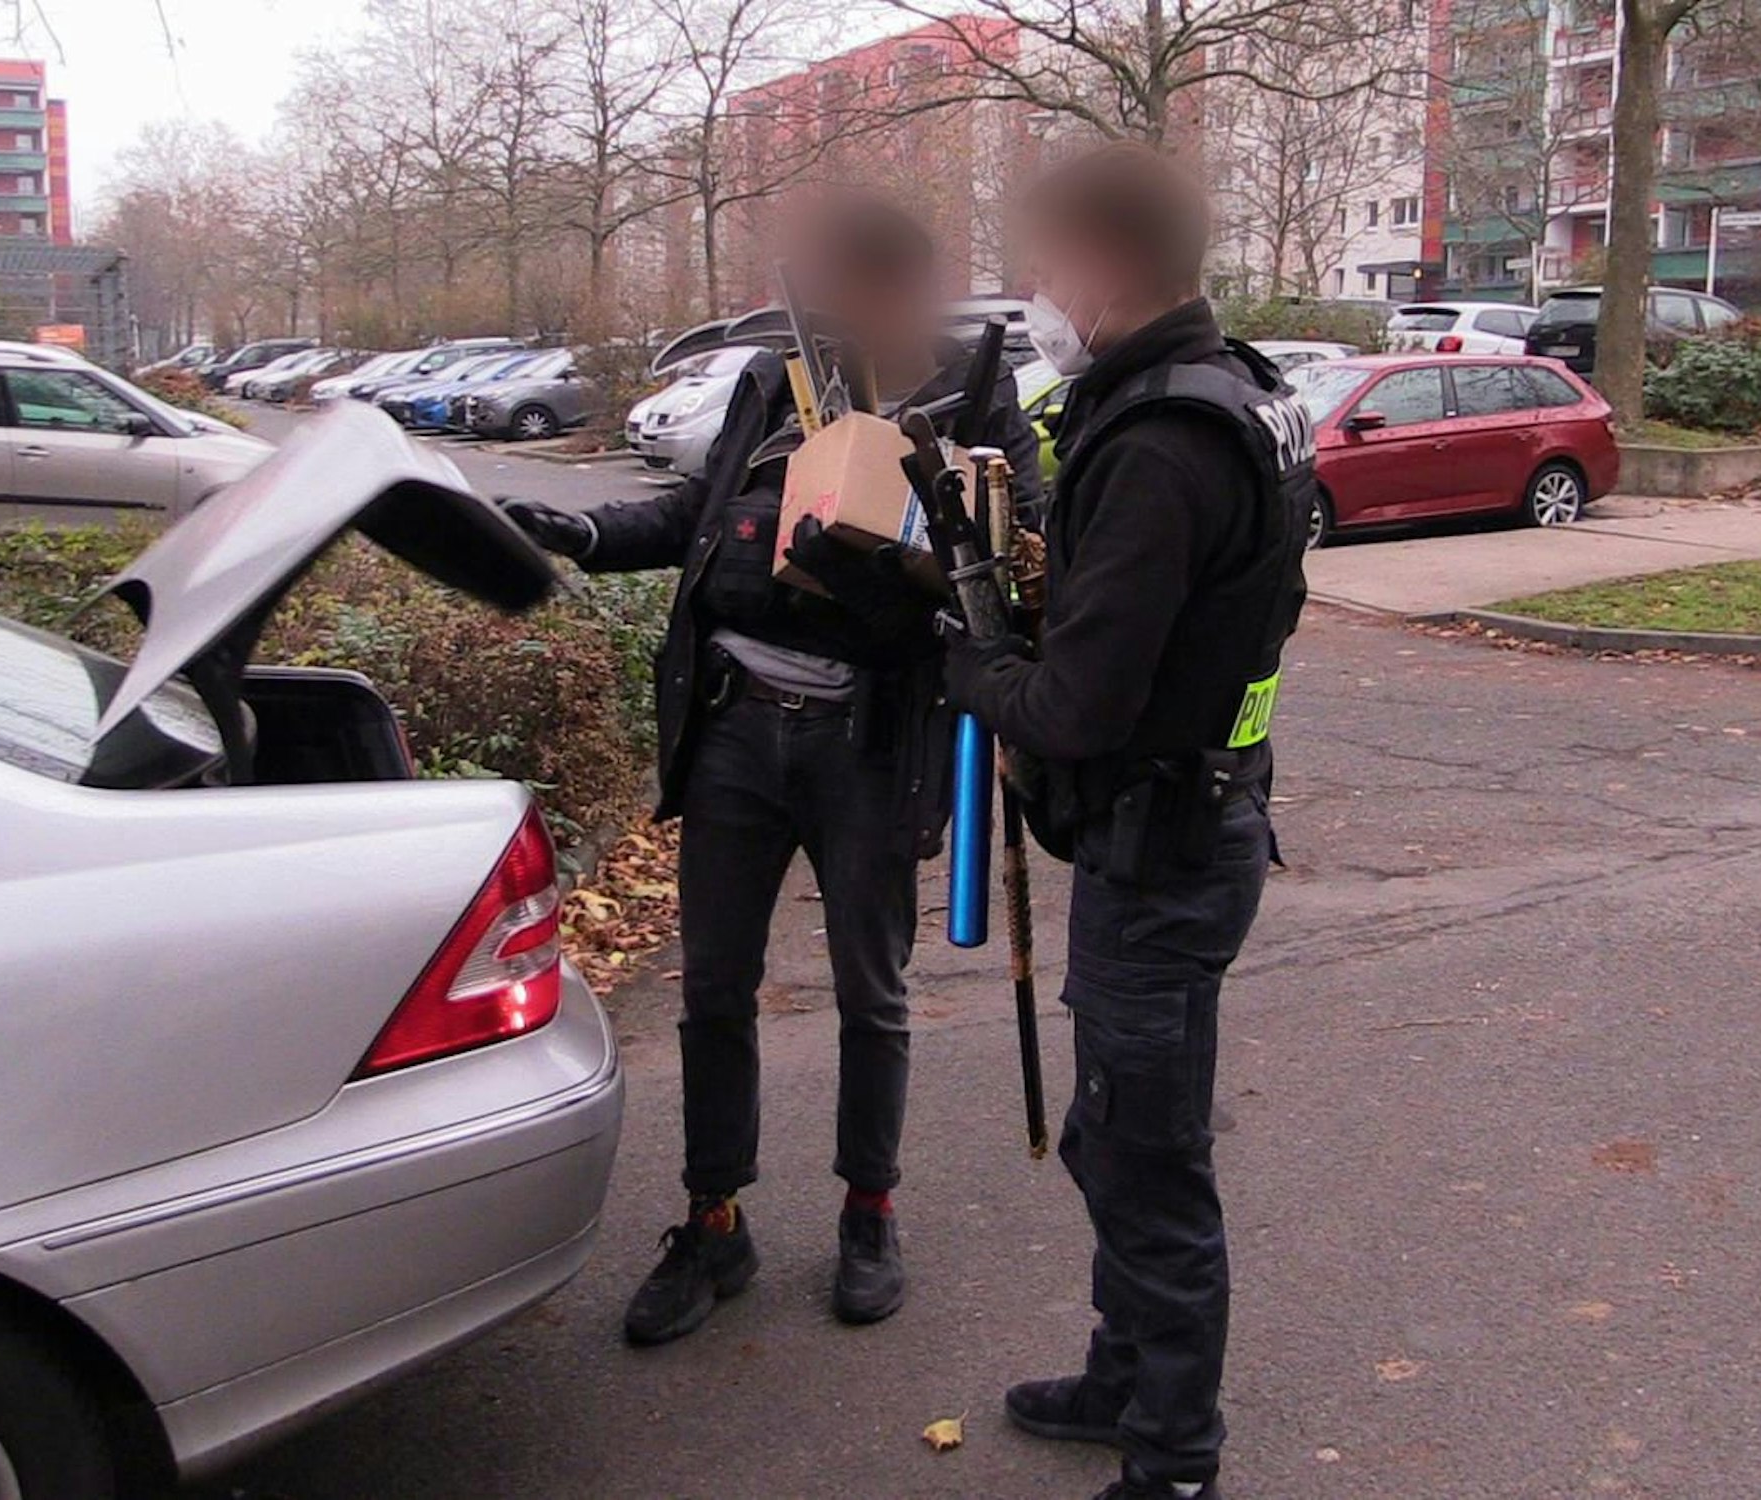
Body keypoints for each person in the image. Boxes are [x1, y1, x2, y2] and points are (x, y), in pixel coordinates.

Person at [501, 195, 1040, 1346]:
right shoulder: (772, 381)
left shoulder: (973, 388)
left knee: (870, 992)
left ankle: (867, 1211)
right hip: (737, 726)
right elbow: (702, 512)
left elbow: (1014, 563)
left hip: (869, 742)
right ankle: (713, 1221)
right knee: (712, 990)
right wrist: (581, 534)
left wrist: (924, 544)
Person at [943, 144, 1314, 1500]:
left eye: (1051, 263)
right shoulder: (1238, 394)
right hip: (1196, 823)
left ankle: (1174, 1459)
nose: (1041, 291)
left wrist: (965, 662)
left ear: (1110, 263)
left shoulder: (1162, 437)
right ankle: (1123, 1376)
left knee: (1145, 1156)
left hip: (1163, 844)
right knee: (1116, 1127)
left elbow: (1079, 703)